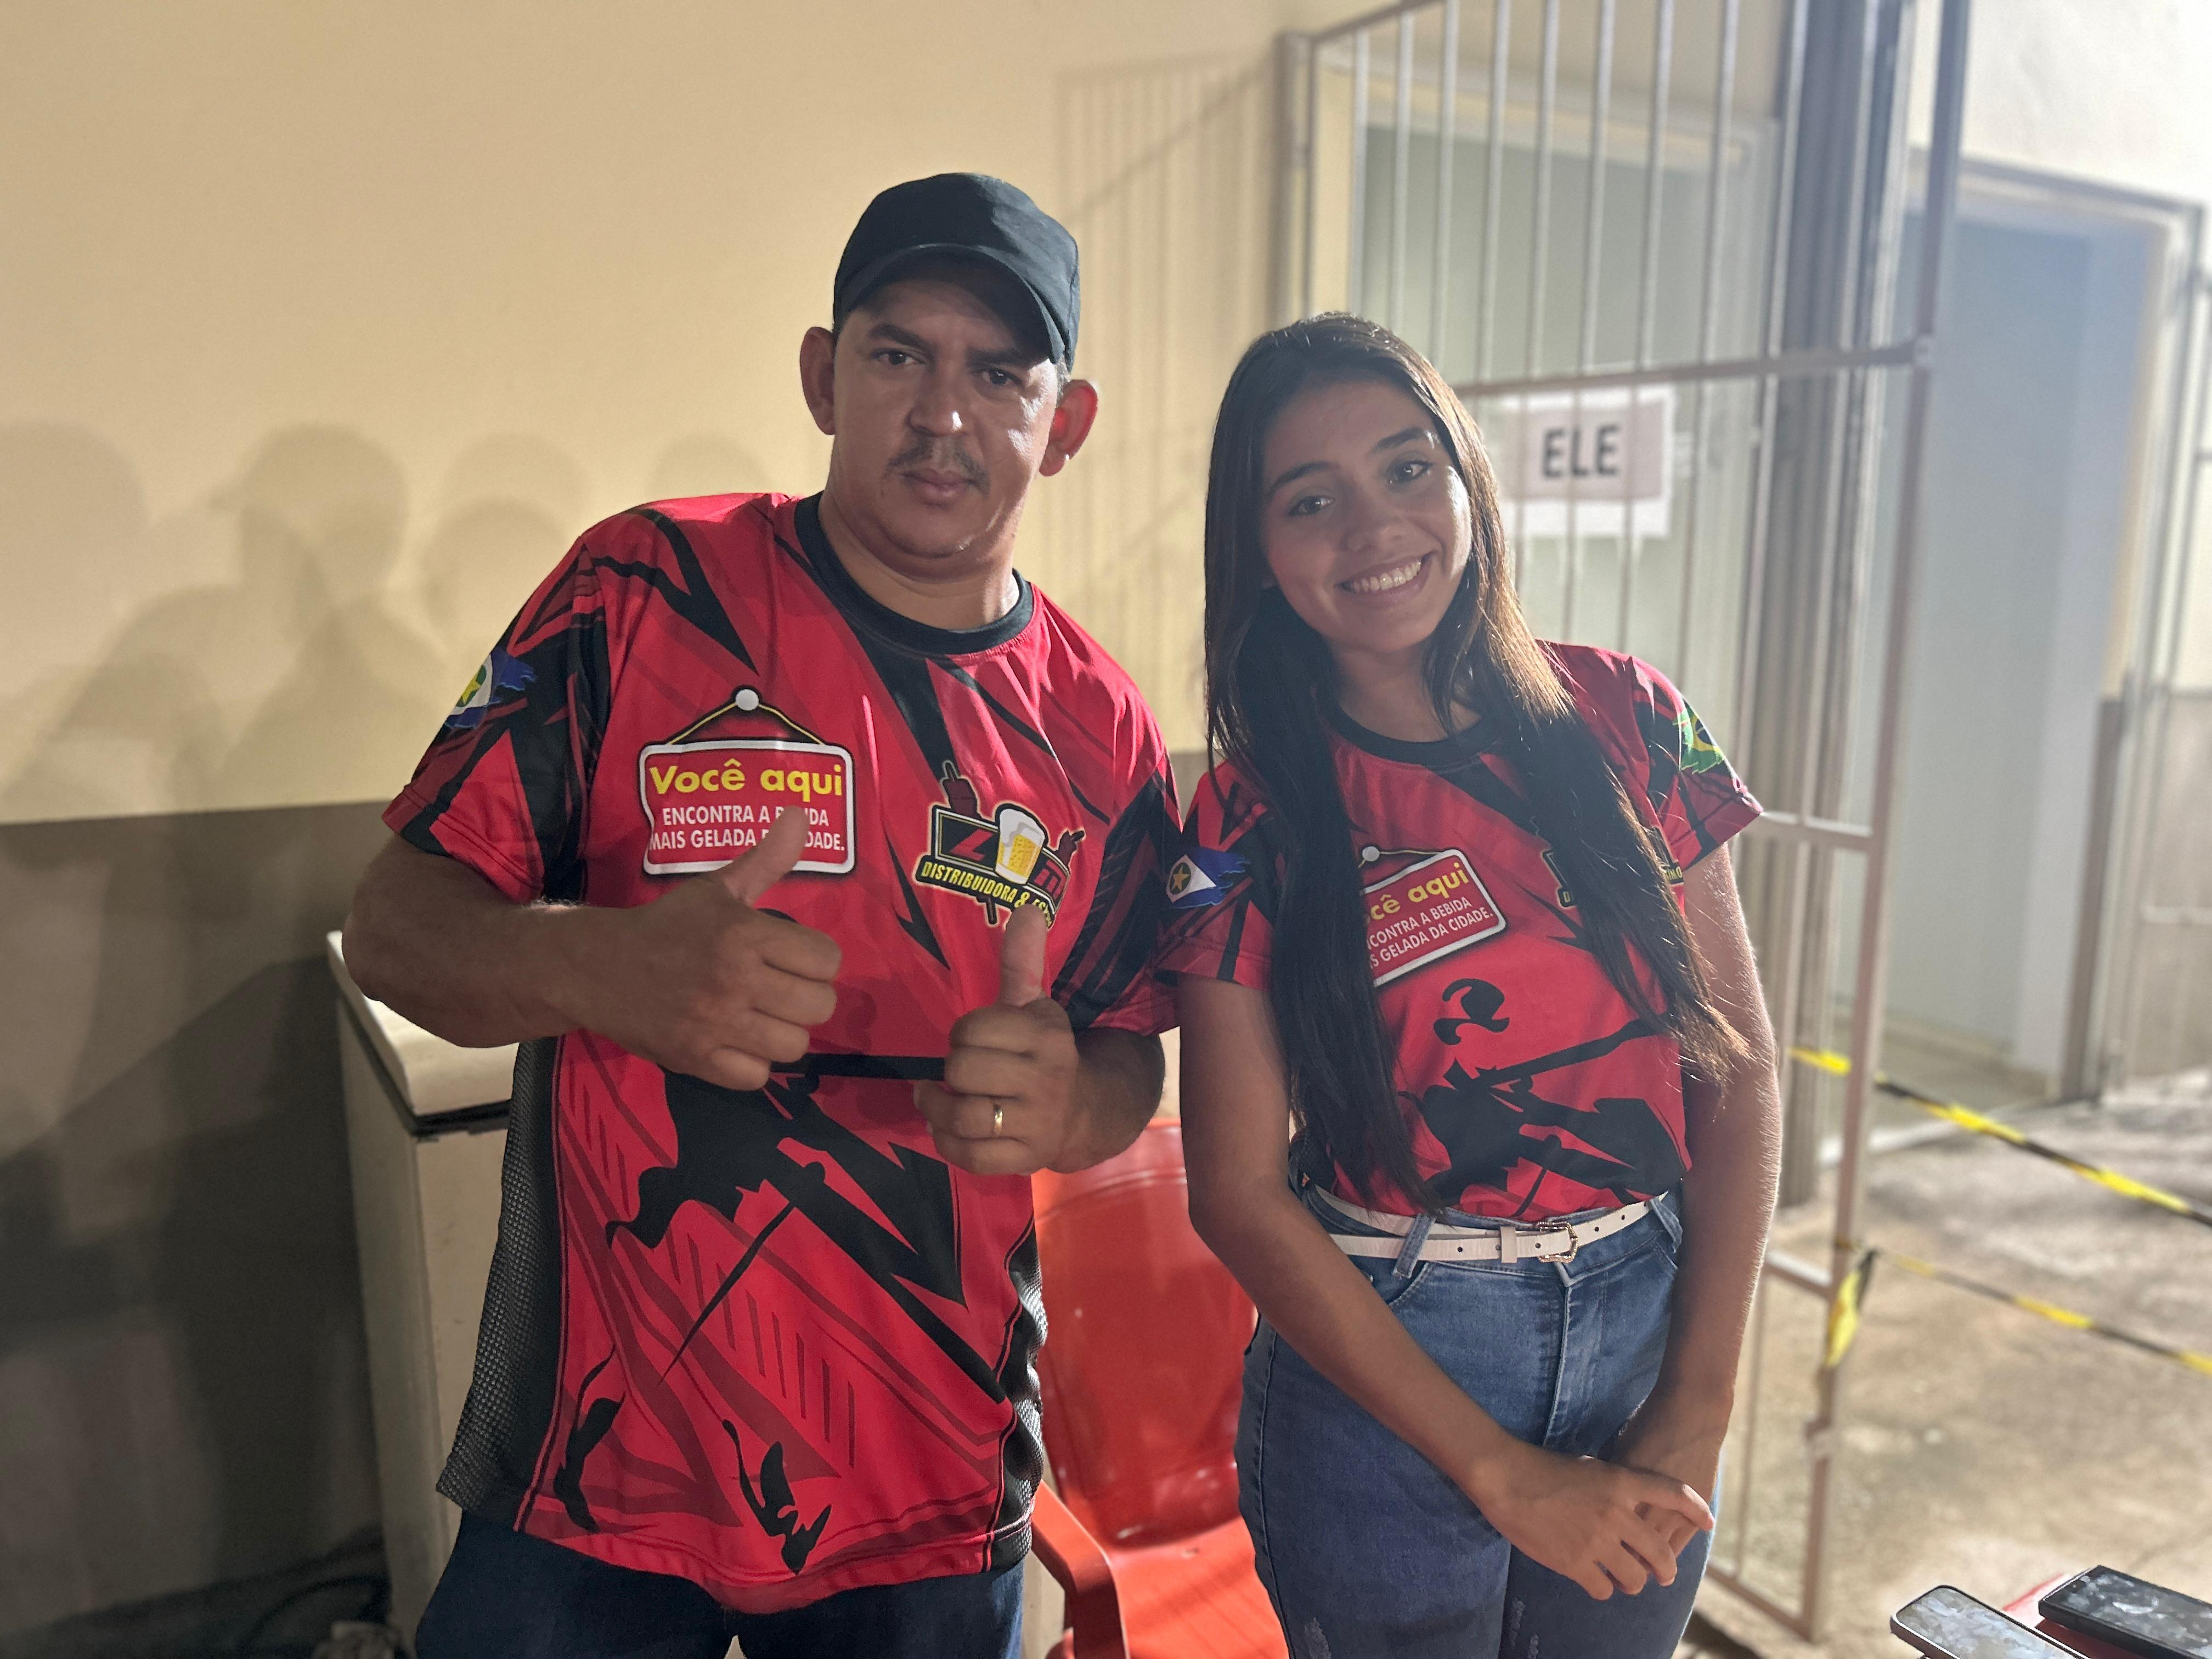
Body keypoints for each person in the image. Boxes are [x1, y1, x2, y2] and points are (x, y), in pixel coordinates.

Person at [342, 173, 1180, 1659]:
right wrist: (599, 966)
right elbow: (397, 924)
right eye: (898, 353)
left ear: (1066, 424)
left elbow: (1128, 1055)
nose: (944, 414)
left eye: (1001, 374)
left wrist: (1075, 1102)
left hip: (931, 1472)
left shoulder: (1101, 730)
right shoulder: (635, 591)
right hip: (594, 1465)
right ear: (822, 376)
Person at [1163, 314, 1782, 1659]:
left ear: (1467, 479)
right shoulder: (1243, 821)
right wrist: (1503, 1474)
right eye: (1310, 500)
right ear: (1257, 551)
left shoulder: (1630, 720)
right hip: (1389, 1366)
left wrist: (1701, 1400)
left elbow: (1735, 1070)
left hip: (1646, 1326)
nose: (1374, 527)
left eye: (1407, 468)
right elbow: (1237, 1193)